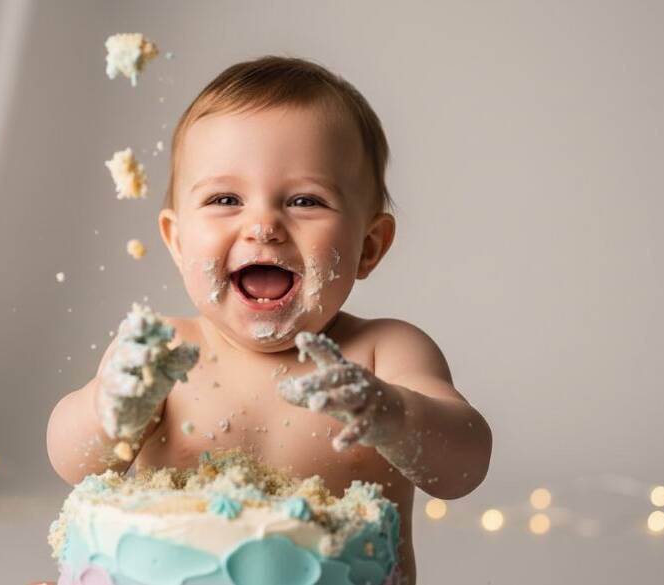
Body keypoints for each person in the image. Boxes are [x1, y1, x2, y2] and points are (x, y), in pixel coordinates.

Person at [44, 56, 492, 585]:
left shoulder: (382, 354)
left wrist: (391, 414)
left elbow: (463, 468)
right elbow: (74, 464)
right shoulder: (160, 353)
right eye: (225, 199)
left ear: (368, 247)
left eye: (305, 200)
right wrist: (109, 410)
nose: (262, 226)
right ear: (177, 239)